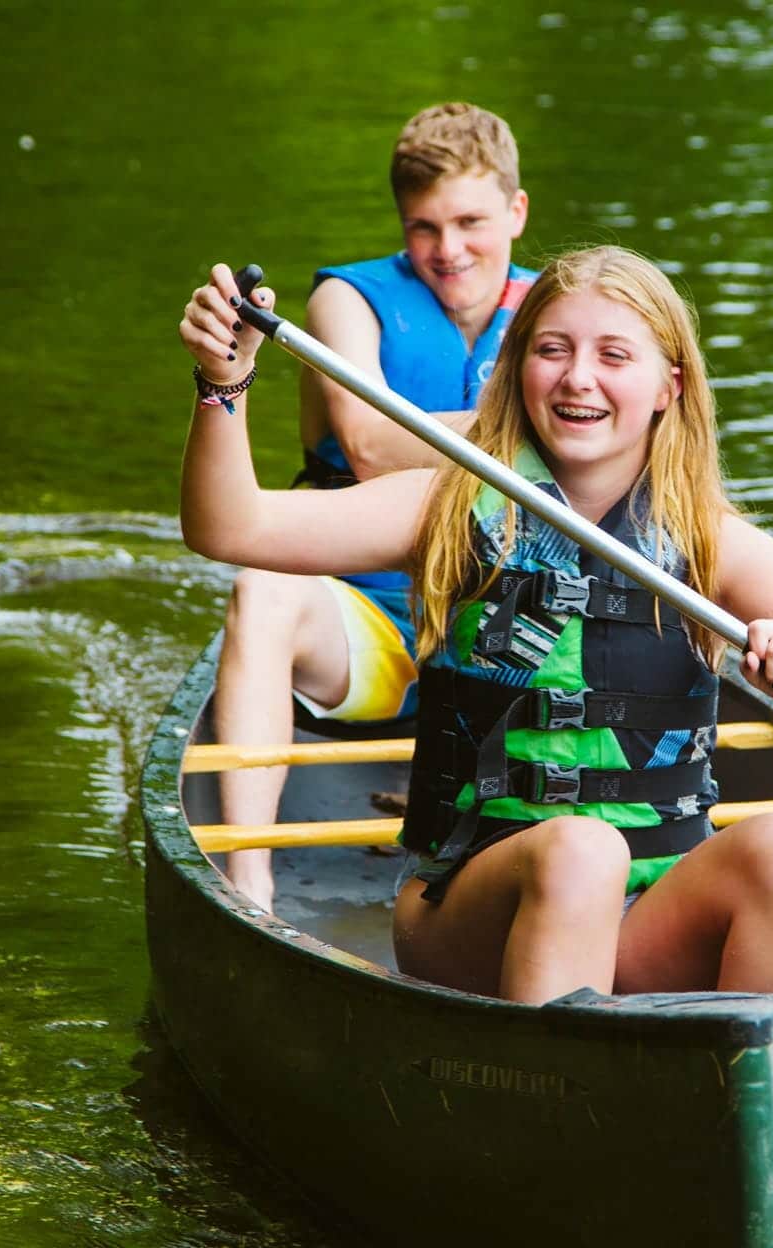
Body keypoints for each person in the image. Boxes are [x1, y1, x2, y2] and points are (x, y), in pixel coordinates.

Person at [178, 245, 773, 1004]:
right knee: (582, 853)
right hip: (472, 909)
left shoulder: (711, 541)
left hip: (648, 916)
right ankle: (557, 1089)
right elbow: (232, 527)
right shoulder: (447, 503)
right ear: (519, 369)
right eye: (553, 350)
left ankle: (738, 1085)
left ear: (668, 386)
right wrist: (224, 383)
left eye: (613, 355)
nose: (578, 377)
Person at [208, 102, 537, 912]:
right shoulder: (346, 304)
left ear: (517, 212)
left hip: (517, 637)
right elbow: (371, 444)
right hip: (373, 621)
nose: (448, 251)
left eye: (470, 222)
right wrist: (536, 424)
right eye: (424, 228)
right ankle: (250, 883)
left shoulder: (560, 316)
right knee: (263, 588)